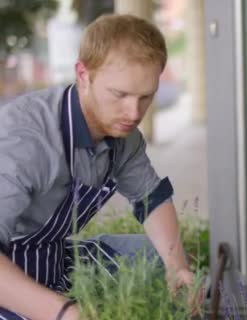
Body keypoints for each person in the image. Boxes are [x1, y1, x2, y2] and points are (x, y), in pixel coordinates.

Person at [0, 14, 200, 320]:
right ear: (83, 75)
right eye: (119, 95)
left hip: (54, 258)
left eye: (145, 97)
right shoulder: (26, 139)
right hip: (8, 278)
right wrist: (66, 313)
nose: (134, 113)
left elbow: (152, 199)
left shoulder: (123, 136)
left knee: (163, 258)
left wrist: (178, 268)